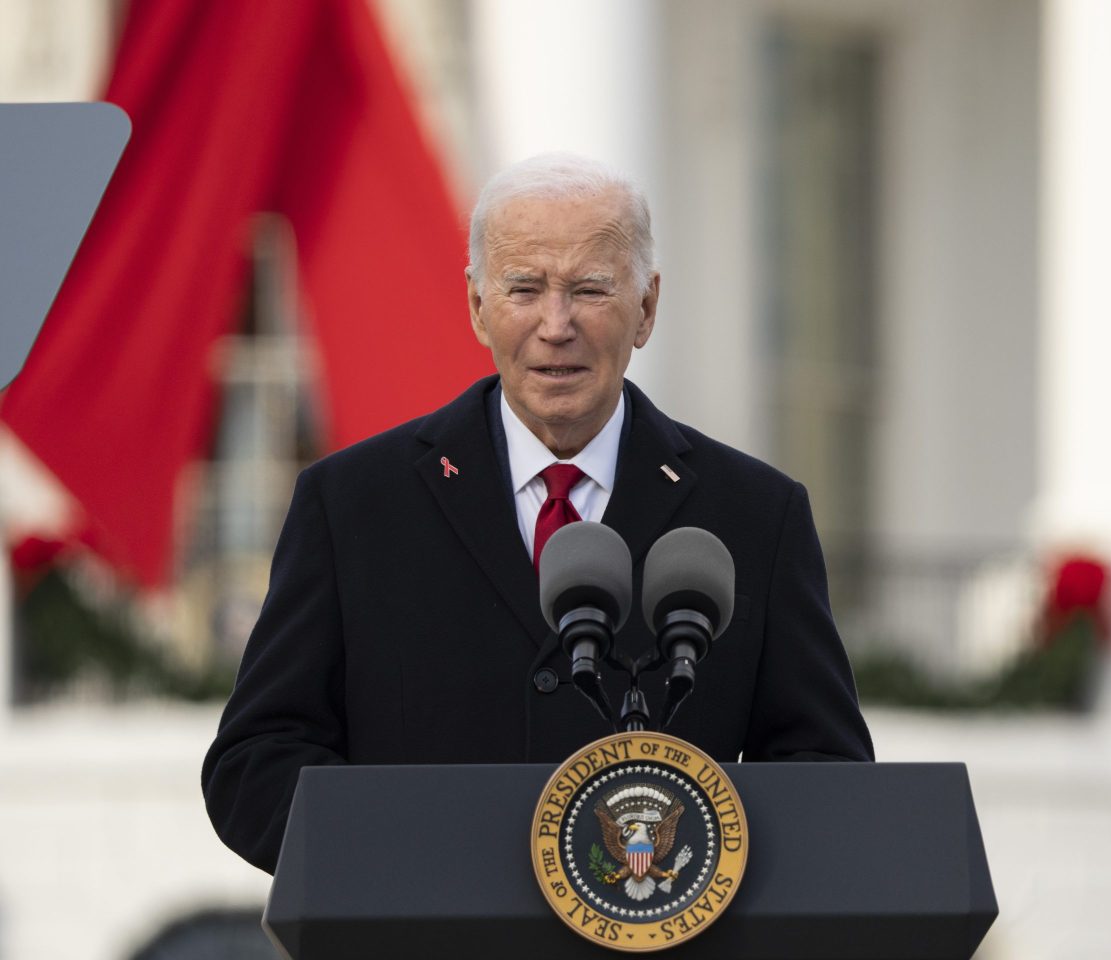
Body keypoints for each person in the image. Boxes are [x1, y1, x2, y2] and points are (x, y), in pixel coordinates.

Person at [201, 153, 873, 874]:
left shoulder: (755, 516)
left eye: (589, 289)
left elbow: (825, 774)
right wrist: (406, 868)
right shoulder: (353, 503)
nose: (557, 325)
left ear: (646, 308)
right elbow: (256, 762)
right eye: (525, 288)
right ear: (477, 306)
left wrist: (688, 875)